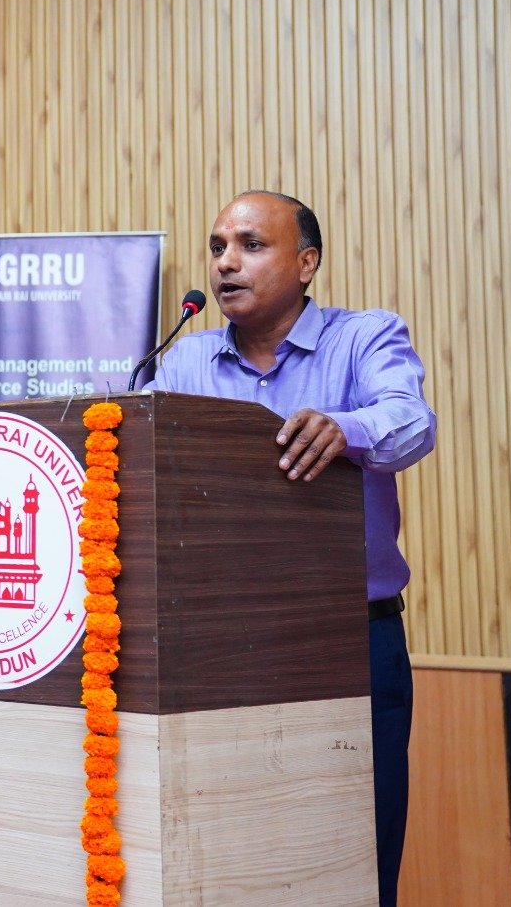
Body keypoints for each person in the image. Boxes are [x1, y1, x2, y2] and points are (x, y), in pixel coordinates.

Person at [150, 189, 436, 907]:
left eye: (251, 245)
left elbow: (412, 422)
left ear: (306, 262)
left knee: (354, 856)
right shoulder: (185, 361)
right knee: (238, 854)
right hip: (218, 648)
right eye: (218, 247)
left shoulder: (363, 338)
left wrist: (347, 429)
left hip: (349, 639)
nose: (225, 263)